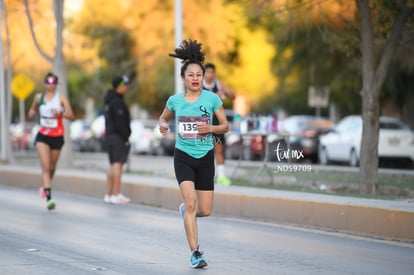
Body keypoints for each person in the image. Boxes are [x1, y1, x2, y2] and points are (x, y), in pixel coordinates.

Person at [159, 39, 229, 268]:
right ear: (184, 78)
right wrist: (162, 125)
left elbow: (225, 126)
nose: (196, 78)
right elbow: (163, 117)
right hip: (183, 157)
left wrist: (210, 128)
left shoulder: (212, 99)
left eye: (199, 74)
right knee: (191, 203)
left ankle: (186, 211)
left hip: (206, 157)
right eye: (191, 75)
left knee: (205, 210)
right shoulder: (175, 101)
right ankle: (195, 253)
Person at [28, 72, 74, 210]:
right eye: (48, 81)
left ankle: (45, 186)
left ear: (56, 84)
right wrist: (32, 112)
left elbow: (71, 115)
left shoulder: (61, 99)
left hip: (57, 135)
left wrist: (60, 113)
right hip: (43, 135)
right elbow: (33, 108)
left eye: (53, 81)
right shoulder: (38, 97)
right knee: (46, 167)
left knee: (52, 167)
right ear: (44, 83)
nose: (50, 83)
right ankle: (49, 198)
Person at [202, 63, 235, 186]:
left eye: (212, 72)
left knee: (219, 148)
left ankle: (221, 176)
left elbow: (233, 95)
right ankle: (204, 174)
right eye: (208, 72)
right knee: (203, 149)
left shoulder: (218, 84)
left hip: (216, 121)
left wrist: (225, 93)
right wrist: (214, 96)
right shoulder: (199, 84)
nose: (210, 74)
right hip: (203, 120)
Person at [103, 75, 132, 204]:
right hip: (117, 137)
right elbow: (121, 122)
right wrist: (126, 137)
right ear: (118, 87)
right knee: (117, 165)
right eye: (124, 85)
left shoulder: (109, 101)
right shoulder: (117, 102)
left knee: (112, 164)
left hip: (109, 136)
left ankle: (108, 195)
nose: (126, 87)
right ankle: (116, 194)